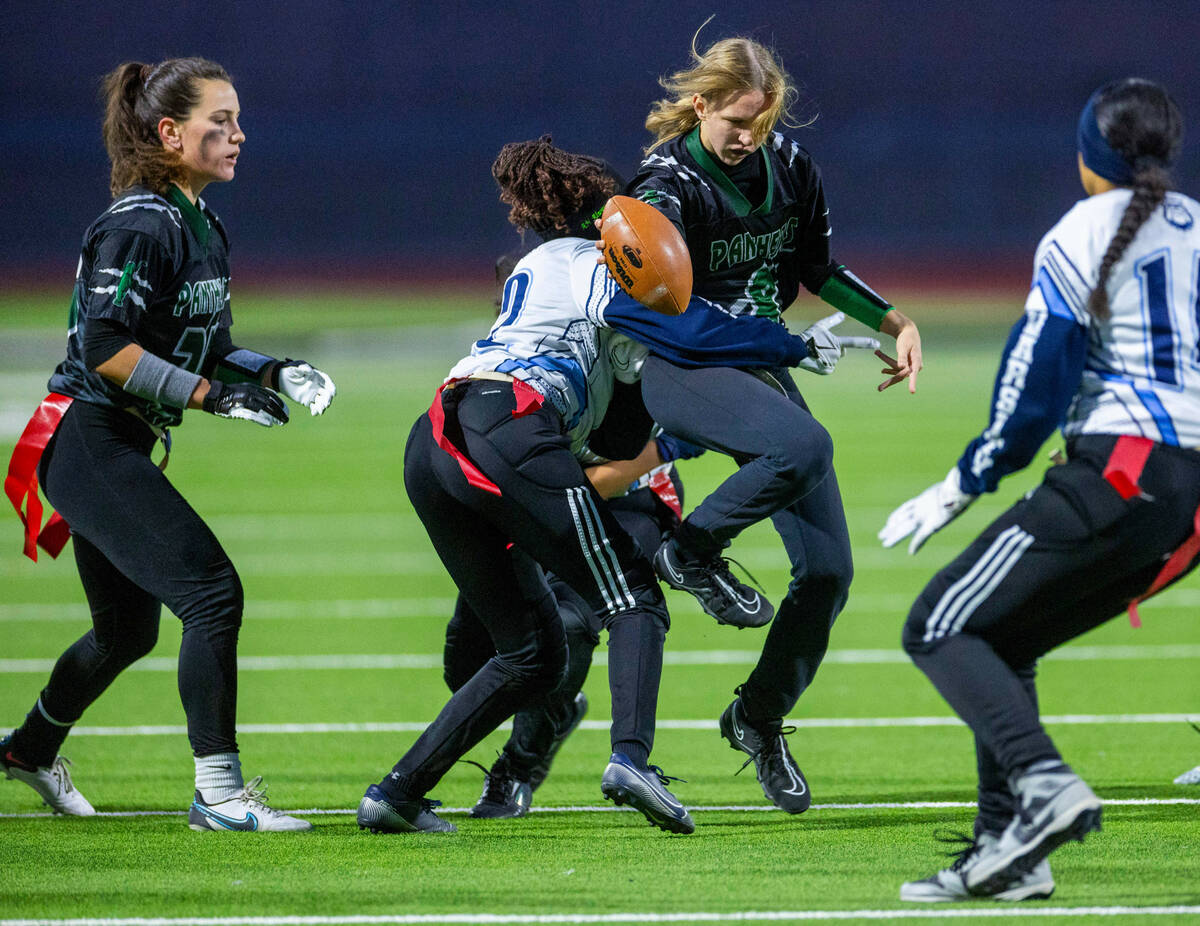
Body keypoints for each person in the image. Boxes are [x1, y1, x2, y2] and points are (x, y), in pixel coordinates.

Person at [356, 136, 843, 836]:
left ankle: (397, 793)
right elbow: (686, 334)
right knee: (634, 596)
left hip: (437, 436)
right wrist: (788, 344)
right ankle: (630, 760)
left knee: (532, 653)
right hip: (511, 428)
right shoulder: (592, 264)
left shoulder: (537, 268)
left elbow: (617, 419)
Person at [879, 78, 1200, 901]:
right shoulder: (1198, 227)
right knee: (1004, 634)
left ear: (1091, 156)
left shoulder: (1082, 231)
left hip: (1125, 466)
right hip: (1188, 499)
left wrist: (963, 482)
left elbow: (1034, 387)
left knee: (939, 625)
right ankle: (1009, 850)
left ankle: (1045, 784)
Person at [2, 58, 335, 832]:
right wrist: (212, 397)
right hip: (88, 436)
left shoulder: (198, 220)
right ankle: (218, 793)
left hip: (120, 437)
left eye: (238, 118)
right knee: (212, 593)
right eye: (221, 121)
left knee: (128, 630)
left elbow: (206, 343)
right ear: (170, 132)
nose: (238, 135)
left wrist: (273, 370)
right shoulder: (140, 222)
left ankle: (28, 749)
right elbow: (106, 348)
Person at [628, 26, 922, 813]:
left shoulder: (789, 165)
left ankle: (756, 717)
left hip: (758, 364)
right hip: (685, 365)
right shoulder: (662, 186)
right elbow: (661, 314)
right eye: (734, 121)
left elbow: (816, 267)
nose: (748, 136)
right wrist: (780, 345)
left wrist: (896, 322)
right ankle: (689, 551)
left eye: (760, 121)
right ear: (700, 105)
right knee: (806, 443)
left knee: (828, 573)